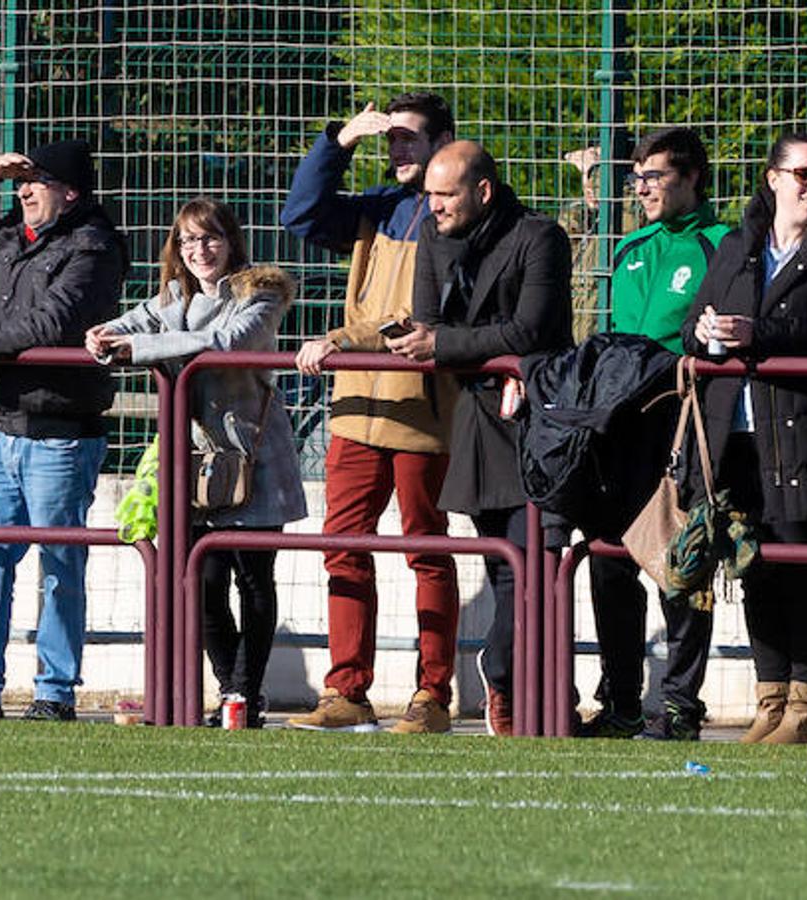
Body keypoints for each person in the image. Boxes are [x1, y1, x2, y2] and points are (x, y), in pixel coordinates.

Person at [0, 139, 127, 721]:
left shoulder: (94, 245)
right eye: (21, 181)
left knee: (60, 566)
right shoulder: (9, 237)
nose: (24, 190)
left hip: (62, 434)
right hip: (3, 429)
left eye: (37, 181)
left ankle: (54, 693)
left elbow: (55, 322)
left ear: (71, 191)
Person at [86, 198, 307, 727]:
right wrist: (99, 339)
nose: (199, 250)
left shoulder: (263, 292)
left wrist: (135, 348)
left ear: (231, 242)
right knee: (202, 585)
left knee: (254, 581)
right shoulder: (171, 297)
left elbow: (225, 342)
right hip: (192, 466)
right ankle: (232, 691)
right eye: (187, 241)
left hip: (253, 461)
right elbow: (118, 328)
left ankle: (246, 695)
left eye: (209, 238)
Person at [281, 93, 462, 734]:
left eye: (410, 138)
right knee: (343, 549)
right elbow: (300, 214)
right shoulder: (376, 210)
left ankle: (431, 696)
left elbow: (414, 320)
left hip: (420, 411)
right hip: (354, 409)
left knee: (426, 551)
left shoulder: (456, 220)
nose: (399, 151)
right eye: (393, 141)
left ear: (445, 142)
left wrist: (342, 337)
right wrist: (340, 140)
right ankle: (346, 692)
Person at [682, 132, 807, 745]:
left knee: (800, 567)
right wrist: (709, 331)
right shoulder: (737, 245)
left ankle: (806, 706)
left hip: (802, 436)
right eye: (801, 174)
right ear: (772, 178)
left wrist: (755, 333)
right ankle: (770, 701)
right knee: (753, 567)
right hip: (733, 437)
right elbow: (692, 326)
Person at [385, 140, 572, 736]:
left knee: (535, 559)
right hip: (476, 418)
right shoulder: (435, 237)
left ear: (482, 191)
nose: (431, 205)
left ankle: (505, 671)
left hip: (538, 417)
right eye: (429, 194)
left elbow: (531, 329)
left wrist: (446, 346)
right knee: (505, 565)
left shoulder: (539, 237)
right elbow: (429, 323)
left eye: (444, 194)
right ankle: (533, 698)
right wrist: (435, 342)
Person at [577, 127, 730, 741]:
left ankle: (680, 705)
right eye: (637, 176)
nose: (641, 188)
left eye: (656, 176)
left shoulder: (724, 245)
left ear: (692, 178)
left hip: (683, 425)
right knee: (610, 563)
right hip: (619, 428)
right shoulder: (631, 247)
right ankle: (619, 700)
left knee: (681, 563)